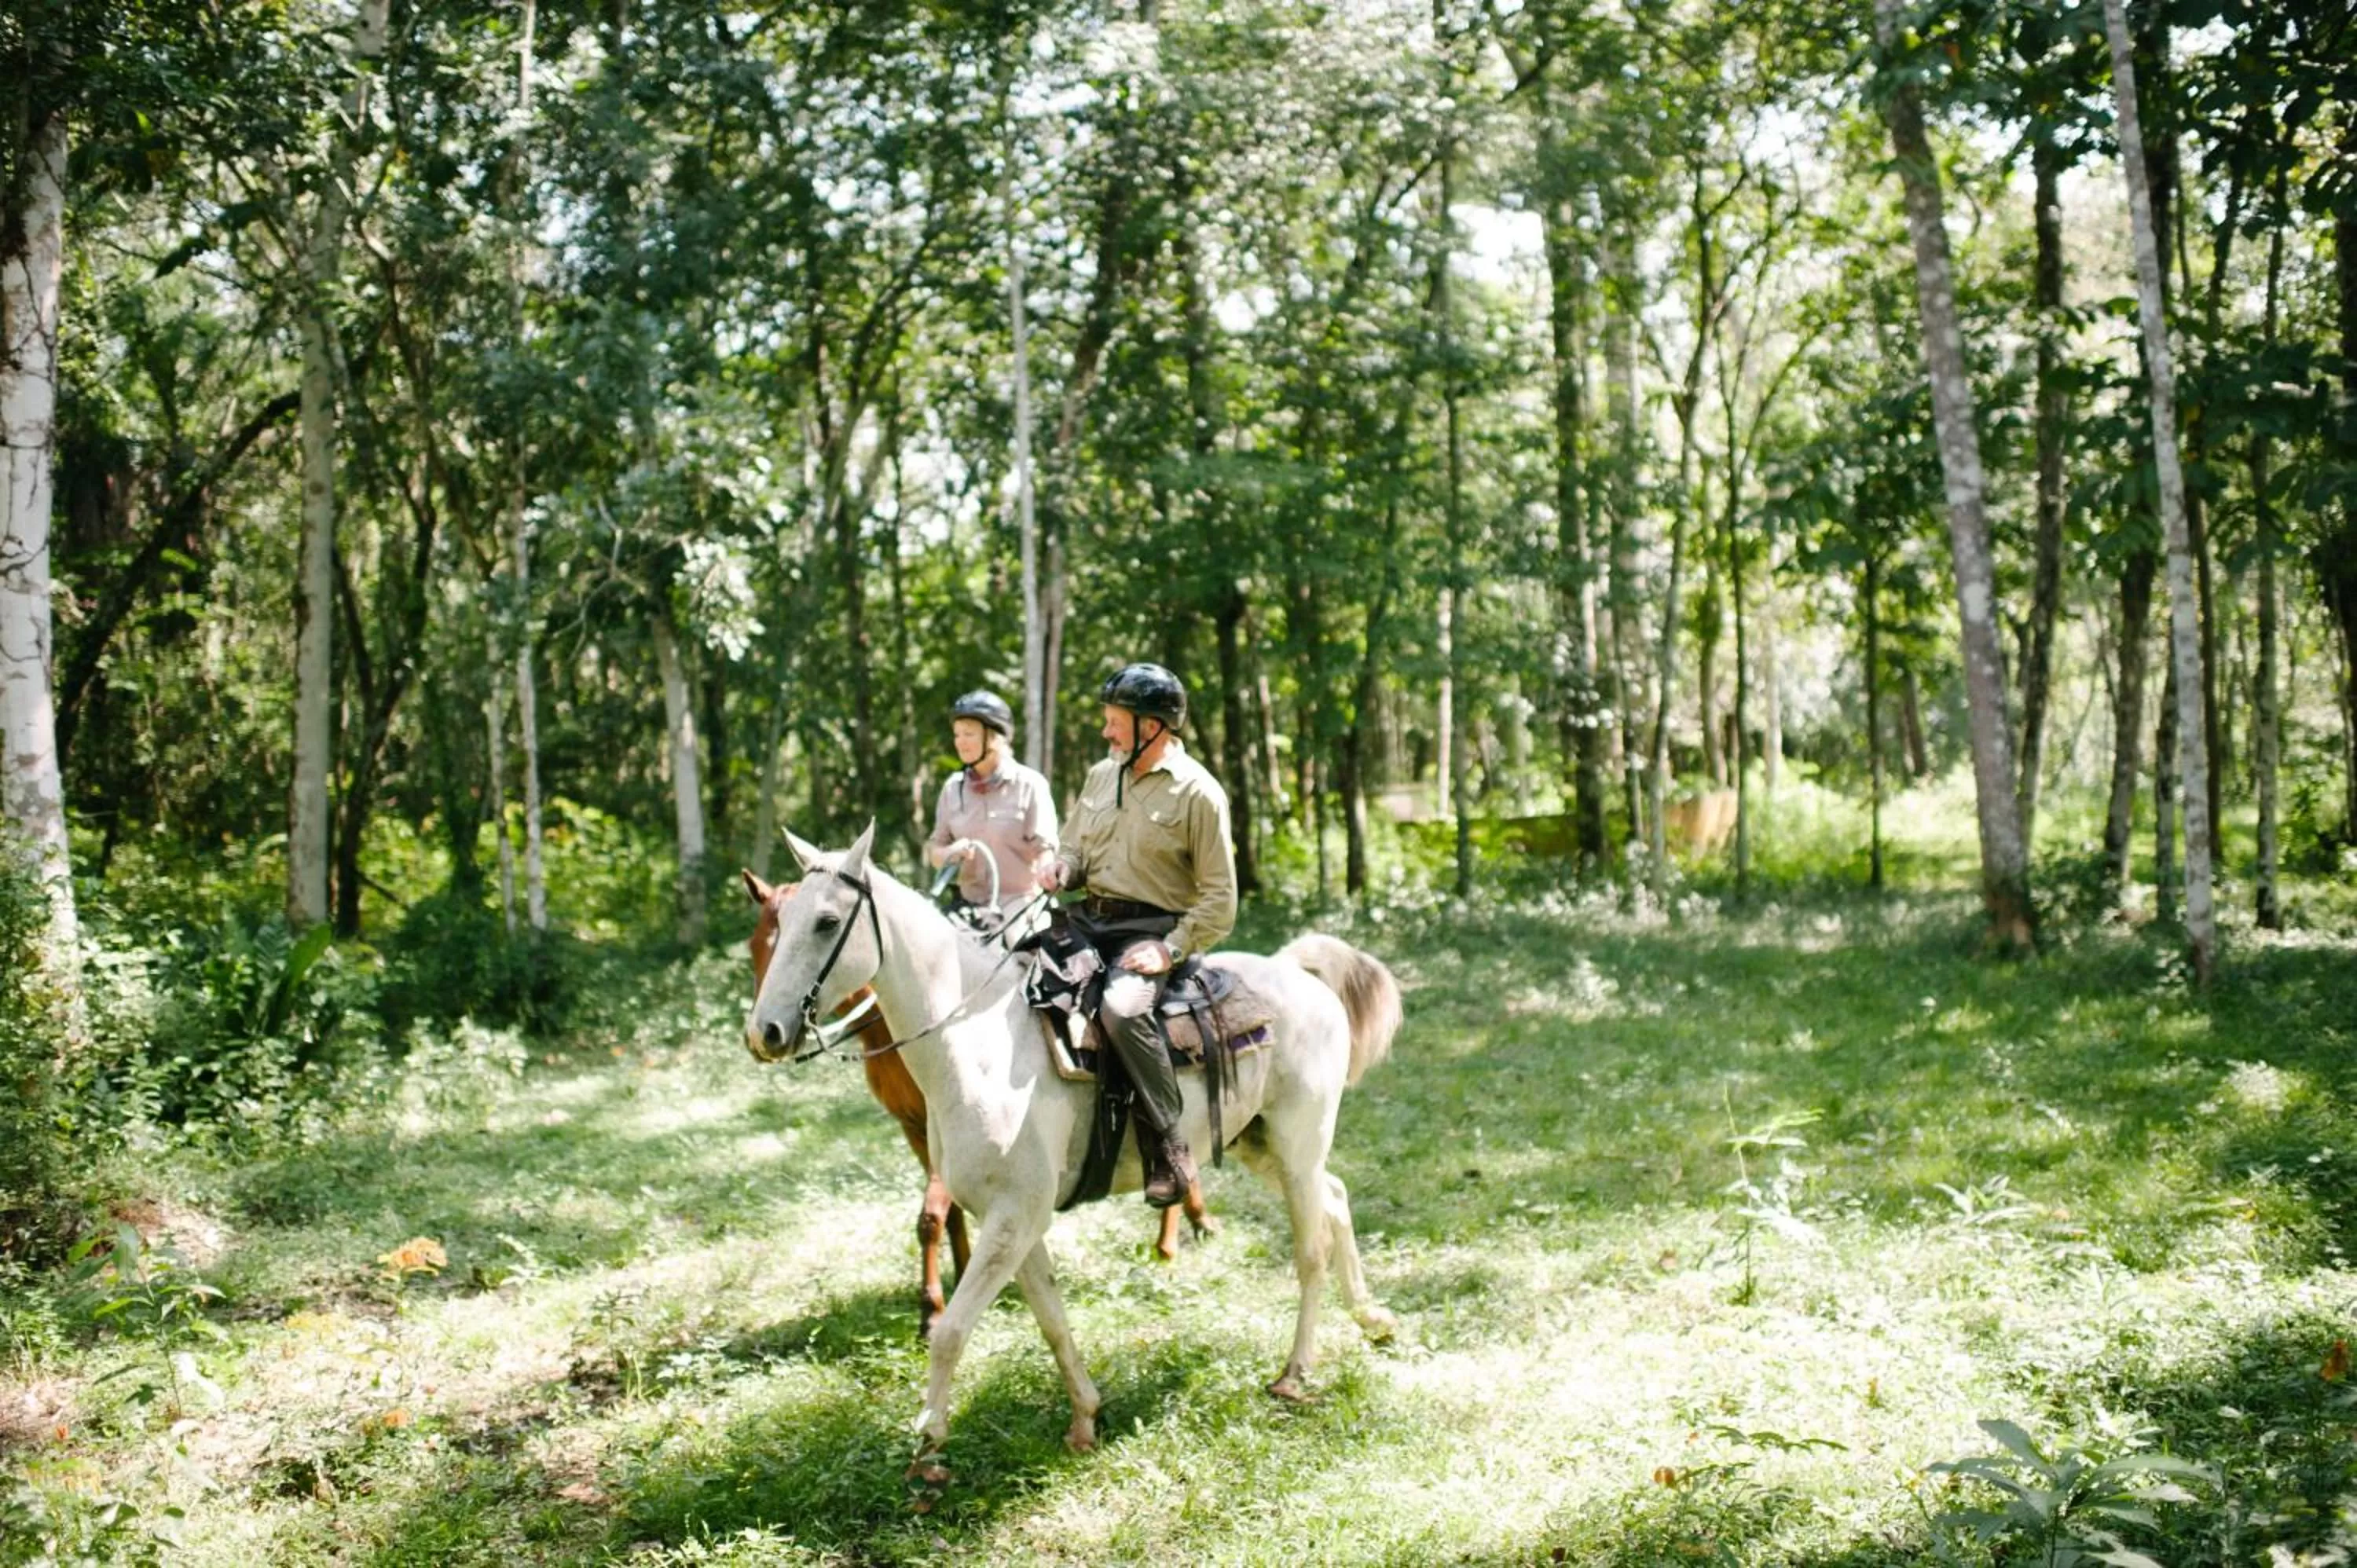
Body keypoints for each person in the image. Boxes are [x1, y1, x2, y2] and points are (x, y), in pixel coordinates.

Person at [1039, 662, 1237, 1208]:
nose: (1106, 732)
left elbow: (1221, 900)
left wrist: (1170, 948)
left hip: (1149, 931)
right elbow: (1074, 847)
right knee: (1019, 972)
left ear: (1152, 726)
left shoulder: (1200, 794)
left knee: (1123, 1011)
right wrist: (1062, 868)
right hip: (1088, 919)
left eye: (1115, 721)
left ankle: (1171, 1147)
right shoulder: (1103, 775)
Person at [926, 690, 1058, 930]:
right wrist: (950, 852)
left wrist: (1046, 878)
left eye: (969, 734)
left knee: (1020, 951)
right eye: (957, 734)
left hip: (1019, 907)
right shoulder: (952, 789)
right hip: (967, 908)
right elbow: (935, 854)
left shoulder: (1030, 785)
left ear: (996, 737)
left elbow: (1045, 853)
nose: (960, 742)